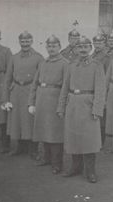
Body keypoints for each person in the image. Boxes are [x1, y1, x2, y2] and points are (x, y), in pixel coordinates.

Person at [57, 36, 106, 183]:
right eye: (80, 47)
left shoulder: (97, 65)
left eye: (86, 47)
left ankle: (90, 171)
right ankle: (76, 167)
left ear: (90, 48)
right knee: (74, 138)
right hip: (72, 105)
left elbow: (100, 89)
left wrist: (97, 109)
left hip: (88, 105)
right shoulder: (71, 65)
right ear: (76, 49)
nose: (83, 50)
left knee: (89, 139)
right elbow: (65, 87)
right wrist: (61, 106)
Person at [27, 35, 68, 174]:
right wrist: (31, 102)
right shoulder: (43, 63)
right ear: (46, 47)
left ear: (59, 47)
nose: (51, 49)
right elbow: (35, 83)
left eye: (54, 46)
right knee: (43, 129)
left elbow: (66, 86)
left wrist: (62, 105)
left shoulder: (65, 63)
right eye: (49, 46)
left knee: (55, 133)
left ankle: (57, 164)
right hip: (42, 99)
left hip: (55, 100)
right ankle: (46, 158)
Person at [2, 31, 44, 159]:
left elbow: (41, 78)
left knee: (30, 120)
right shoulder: (14, 57)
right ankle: (19, 147)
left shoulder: (38, 57)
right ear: (19, 42)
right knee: (17, 120)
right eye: (22, 41)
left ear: (31, 41)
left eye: (27, 41)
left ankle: (33, 150)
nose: (25, 44)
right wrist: (5, 98)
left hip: (30, 90)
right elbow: (7, 78)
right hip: (16, 91)